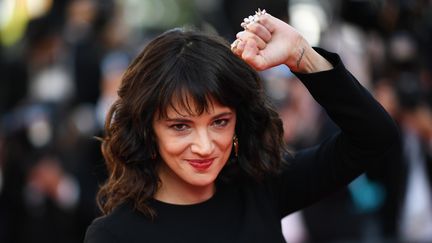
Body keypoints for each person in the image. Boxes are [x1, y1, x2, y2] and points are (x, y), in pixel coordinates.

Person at [84, 10, 400, 243]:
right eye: (181, 126)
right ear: (147, 128)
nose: (205, 146)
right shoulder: (114, 235)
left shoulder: (261, 186)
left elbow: (375, 136)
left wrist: (301, 54)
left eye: (220, 122)